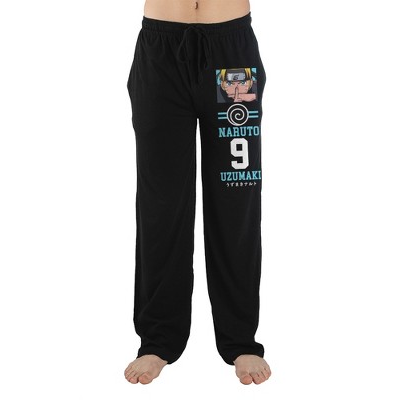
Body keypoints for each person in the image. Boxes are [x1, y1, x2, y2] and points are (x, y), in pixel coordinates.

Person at [124, 0, 271, 385]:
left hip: (231, 51)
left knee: (236, 201)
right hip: (160, 48)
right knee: (160, 204)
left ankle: (240, 339)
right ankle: (158, 339)